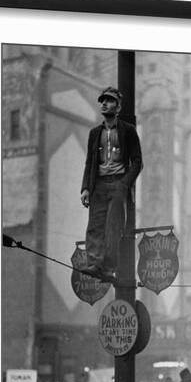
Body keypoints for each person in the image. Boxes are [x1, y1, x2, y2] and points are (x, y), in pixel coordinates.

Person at [81, 86, 143, 278]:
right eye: (103, 101)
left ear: (118, 107)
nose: (104, 103)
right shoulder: (94, 133)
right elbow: (89, 162)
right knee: (95, 225)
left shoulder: (128, 131)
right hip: (98, 184)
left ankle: (108, 268)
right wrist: (85, 188)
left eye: (109, 100)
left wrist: (124, 184)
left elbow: (138, 162)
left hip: (118, 184)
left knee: (113, 227)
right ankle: (94, 264)